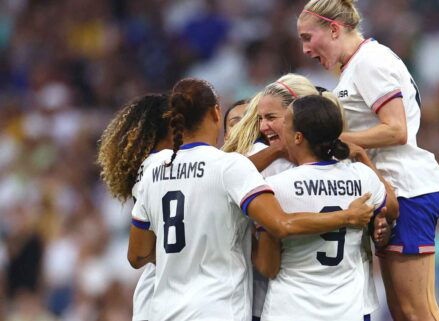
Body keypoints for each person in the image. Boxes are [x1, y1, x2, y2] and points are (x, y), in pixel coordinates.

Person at [127, 78, 375, 321]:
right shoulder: (228, 166)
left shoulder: (154, 169)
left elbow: (137, 256)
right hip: (217, 307)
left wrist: (187, 252)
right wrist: (347, 216)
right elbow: (281, 224)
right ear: (216, 113)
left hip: (164, 309)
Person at [297, 1, 439, 320]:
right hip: (390, 190)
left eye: (309, 37)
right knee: (402, 310)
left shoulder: (369, 62)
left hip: (407, 187)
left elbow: (396, 129)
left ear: (334, 29)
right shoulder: (356, 65)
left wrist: (337, 140)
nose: (305, 49)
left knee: (417, 309)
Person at [224, 73, 397, 320]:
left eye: (274, 119)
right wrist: (362, 161)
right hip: (347, 308)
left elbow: (269, 265)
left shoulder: (272, 185)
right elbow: (391, 208)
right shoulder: (359, 175)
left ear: (297, 133)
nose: (264, 126)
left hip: (290, 307)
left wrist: (259, 235)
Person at [97, 93, 172, 321]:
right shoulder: (157, 170)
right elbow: (138, 254)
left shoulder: (150, 170)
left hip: (161, 291)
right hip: (166, 292)